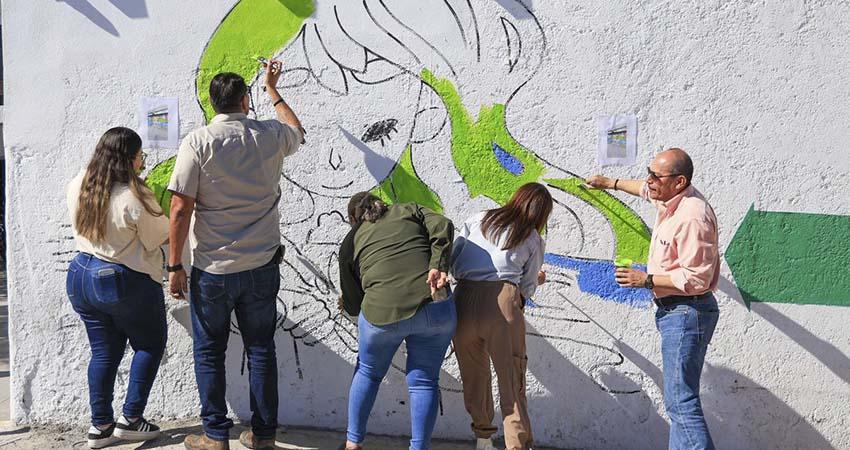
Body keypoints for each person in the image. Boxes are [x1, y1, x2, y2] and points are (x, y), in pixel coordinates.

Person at [167, 60, 304, 450]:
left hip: (213, 269)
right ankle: (263, 437)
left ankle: (215, 436)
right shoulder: (270, 135)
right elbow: (298, 130)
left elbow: (180, 209)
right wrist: (272, 89)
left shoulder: (198, 142)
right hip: (261, 266)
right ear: (246, 100)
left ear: (213, 104)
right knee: (261, 349)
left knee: (209, 351)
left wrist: (175, 264)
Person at [586, 148, 720, 450]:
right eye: (649, 172)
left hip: (687, 312)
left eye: (655, 175)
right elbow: (644, 190)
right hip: (676, 311)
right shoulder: (670, 197)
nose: (649, 180)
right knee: (678, 400)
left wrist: (644, 279)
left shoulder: (692, 217)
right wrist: (610, 183)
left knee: (681, 403)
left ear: (679, 181)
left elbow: (696, 279)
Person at [65, 127, 169, 449]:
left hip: (80, 274)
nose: (142, 162)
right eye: (140, 156)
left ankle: (100, 427)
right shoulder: (133, 196)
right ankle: (132, 420)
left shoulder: (81, 181)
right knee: (150, 344)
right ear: (130, 159)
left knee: (103, 353)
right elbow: (157, 237)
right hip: (120, 279)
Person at [337, 193, 456, 450]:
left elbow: (355, 303)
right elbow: (443, 224)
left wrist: (347, 302)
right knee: (424, 380)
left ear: (353, 219)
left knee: (368, 372)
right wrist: (438, 265)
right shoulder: (410, 209)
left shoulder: (351, 241)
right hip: (435, 305)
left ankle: (353, 444)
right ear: (382, 204)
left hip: (383, 313)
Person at [450, 182, 552, 450]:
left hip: (462, 298)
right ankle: (515, 445)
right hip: (502, 303)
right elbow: (527, 286)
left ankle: (483, 439)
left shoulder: (477, 219)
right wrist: (530, 283)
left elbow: (455, 258)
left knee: (474, 375)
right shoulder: (531, 237)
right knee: (511, 378)